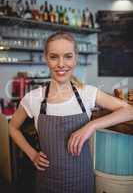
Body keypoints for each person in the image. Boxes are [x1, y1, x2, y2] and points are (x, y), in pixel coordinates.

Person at [9, 31, 133, 193]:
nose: (61, 64)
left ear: (75, 59)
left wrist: (91, 125)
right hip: (47, 182)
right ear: (46, 59)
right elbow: (12, 127)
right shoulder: (33, 98)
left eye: (68, 56)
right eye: (54, 57)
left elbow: (129, 110)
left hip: (82, 181)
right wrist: (32, 154)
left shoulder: (88, 93)